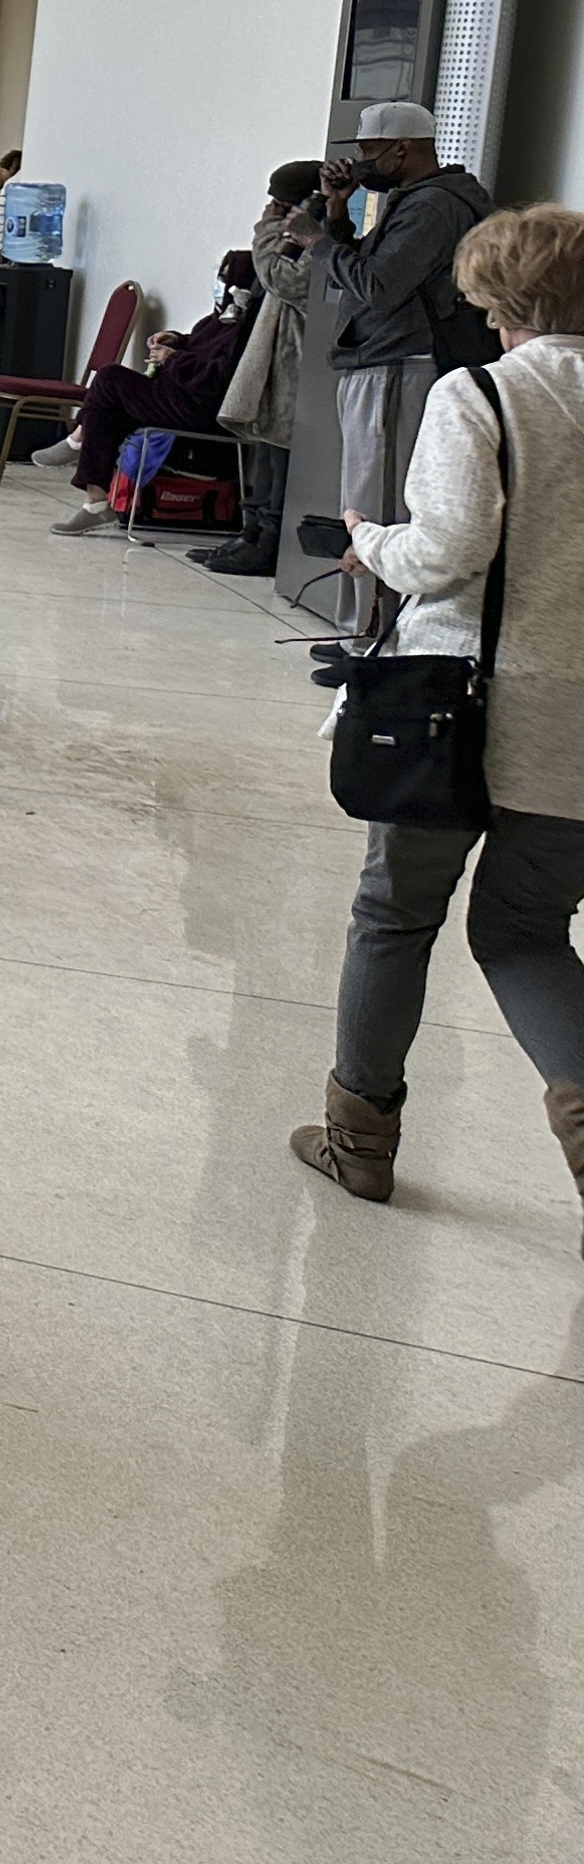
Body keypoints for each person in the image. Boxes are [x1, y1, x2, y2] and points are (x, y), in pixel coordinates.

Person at [291, 204, 584, 1248]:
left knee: (396, 914)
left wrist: (375, 540)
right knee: (525, 931)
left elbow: (451, 550)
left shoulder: (485, 396)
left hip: (457, 710)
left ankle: (358, 1140)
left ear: (501, 301)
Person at [321, 98, 496, 644]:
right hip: (382, 360)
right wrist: (335, 215)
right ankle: (367, 634)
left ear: (404, 147)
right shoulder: (413, 200)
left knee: (380, 506)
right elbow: (371, 274)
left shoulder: (433, 206)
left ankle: (379, 639)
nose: (363, 162)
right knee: (366, 499)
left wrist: (319, 243)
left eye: (371, 149)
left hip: (401, 362)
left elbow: (378, 286)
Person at [205, 159, 331, 575]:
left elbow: (286, 279)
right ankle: (250, 533)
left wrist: (267, 232)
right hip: (272, 356)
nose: (273, 209)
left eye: (280, 202)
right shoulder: (296, 234)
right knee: (262, 452)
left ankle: (269, 544)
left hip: (296, 359)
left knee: (280, 458)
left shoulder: (321, 238)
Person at [29, 299, 248, 531]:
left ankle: (76, 441)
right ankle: (96, 503)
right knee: (107, 411)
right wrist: (175, 340)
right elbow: (199, 346)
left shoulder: (246, 329)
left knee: (109, 378)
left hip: (202, 412)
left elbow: (220, 381)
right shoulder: (219, 318)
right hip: (178, 398)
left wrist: (172, 359)